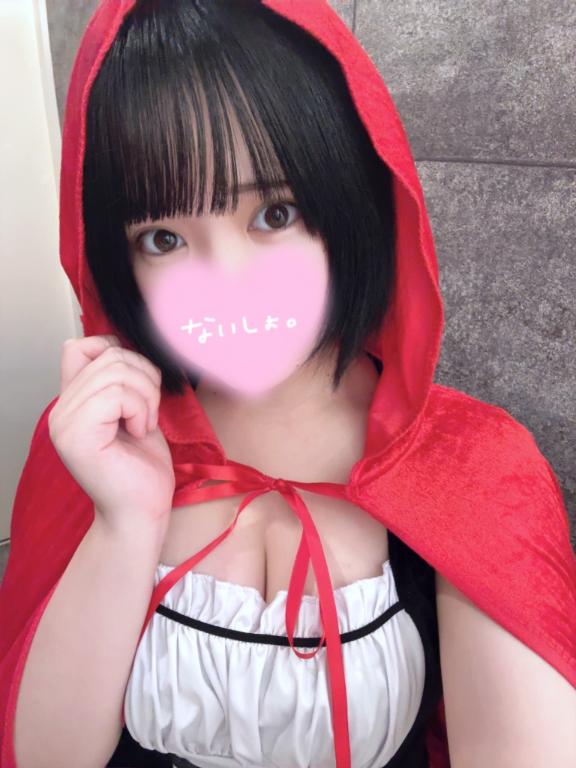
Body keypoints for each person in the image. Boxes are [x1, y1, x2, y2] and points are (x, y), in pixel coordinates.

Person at [1, 1, 575, 767]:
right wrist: (124, 522)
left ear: (351, 203)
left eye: (275, 214)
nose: (227, 283)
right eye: (163, 237)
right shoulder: (94, 438)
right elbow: (43, 755)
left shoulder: (472, 465)